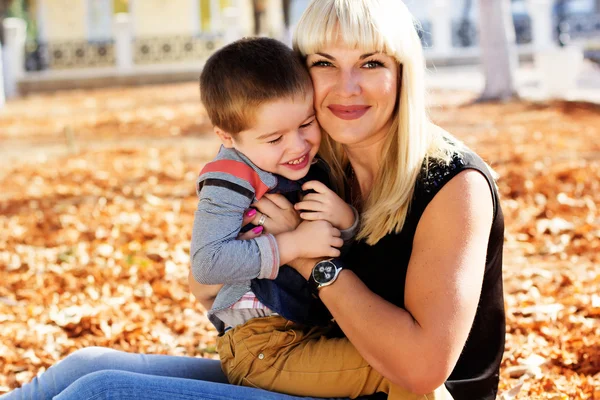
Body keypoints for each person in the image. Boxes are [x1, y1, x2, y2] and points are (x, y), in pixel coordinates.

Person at [1, 0, 505, 399]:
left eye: (370, 62)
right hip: (304, 358)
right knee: (86, 366)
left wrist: (306, 255)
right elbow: (205, 281)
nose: (346, 86)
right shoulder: (313, 160)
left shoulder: (452, 184)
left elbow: (422, 370)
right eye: (324, 63)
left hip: (397, 390)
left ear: (402, 71)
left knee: (102, 393)